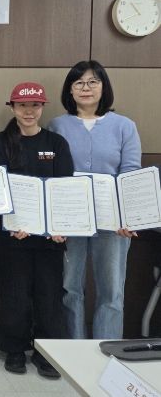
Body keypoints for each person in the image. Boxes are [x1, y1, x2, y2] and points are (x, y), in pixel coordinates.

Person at [49, 61, 141, 339]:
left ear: (104, 86)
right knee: (69, 288)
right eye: (78, 83)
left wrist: (128, 217)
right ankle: (73, 349)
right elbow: (51, 174)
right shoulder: (57, 125)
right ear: (70, 90)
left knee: (111, 290)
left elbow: (131, 175)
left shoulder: (124, 126)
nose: (85, 88)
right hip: (71, 220)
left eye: (93, 82)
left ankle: (107, 347)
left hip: (112, 222)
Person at [0, 81, 72, 379]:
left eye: (35, 105)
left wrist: (61, 227)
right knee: (15, 295)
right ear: (12, 107)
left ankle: (46, 352)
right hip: (13, 236)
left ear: (42, 107)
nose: (29, 111)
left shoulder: (56, 144)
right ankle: (14, 349)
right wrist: (12, 224)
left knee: (49, 296)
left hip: (50, 238)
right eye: (22, 105)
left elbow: (65, 188)